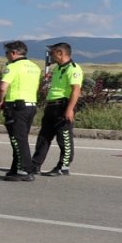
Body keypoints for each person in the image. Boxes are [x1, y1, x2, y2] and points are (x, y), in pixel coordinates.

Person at [32, 42, 83, 176]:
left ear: (60, 53)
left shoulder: (73, 68)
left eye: (53, 53)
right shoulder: (58, 69)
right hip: (51, 105)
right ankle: (35, 165)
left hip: (63, 105)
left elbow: (76, 90)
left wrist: (69, 109)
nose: (51, 56)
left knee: (64, 138)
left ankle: (63, 166)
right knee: (44, 137)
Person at [0, 40, 42, 181]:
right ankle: (15, 168)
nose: (6, 56)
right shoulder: (35, 66)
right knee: (21, 138)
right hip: (30, 105)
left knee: (18, 139)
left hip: (16, 106)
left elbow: (3, 87)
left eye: (7, 53)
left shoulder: (13, 66)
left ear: (14, 53)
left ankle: (25, 170)